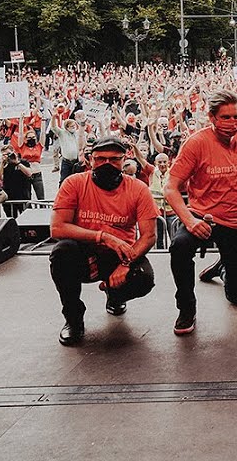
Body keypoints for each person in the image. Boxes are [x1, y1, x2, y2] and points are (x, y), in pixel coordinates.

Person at [165, 91, 237, 336]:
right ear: (212, 118)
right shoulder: (197, 143)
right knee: (180, 246)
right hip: (202, 217)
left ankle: (222, 267)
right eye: (225, 117)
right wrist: (190, 221)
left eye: (236, 116)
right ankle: (186, 308)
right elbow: (170, 188)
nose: (232, 122)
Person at [48, 135, 158, 346]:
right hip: (83, 251)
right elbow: (58, 227)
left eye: (114, 159)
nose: (107, 164)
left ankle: (116, 296)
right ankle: (73, 318)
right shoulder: (74, 183)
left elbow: (149, 235)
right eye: (100, 159)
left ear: (124, 160)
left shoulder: (138, 188)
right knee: (62, 252)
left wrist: (126, 264)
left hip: (119, 255)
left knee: (143, 278)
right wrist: (103, 237)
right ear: (91, 159)